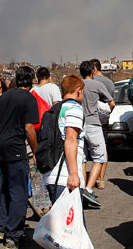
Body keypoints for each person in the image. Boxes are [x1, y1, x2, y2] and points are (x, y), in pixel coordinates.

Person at [0, 66, 39, 248]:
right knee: (19, 192)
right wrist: (36, 151)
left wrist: (4, 132)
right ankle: (14, 234)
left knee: (6, 188)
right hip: (15, 149)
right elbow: (29, 128)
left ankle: (1, 229)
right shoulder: (29, 98)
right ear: (31, 80)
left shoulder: (4, 97)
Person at [42, 74, 86, 203]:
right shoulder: (74, 108)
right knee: (71, 215)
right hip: (65, 176)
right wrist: (73, 174)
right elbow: (70, 139)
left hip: (51, 174)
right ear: (79, 90)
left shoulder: (56, 109)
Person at [78, 60, 114, 205]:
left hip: (79, 124)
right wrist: (105, 116)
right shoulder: (98, 85)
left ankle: (81, 187)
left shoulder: (77, 85)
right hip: (94, 123)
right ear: (93, 71)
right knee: (100, 157)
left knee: (82, 158)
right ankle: (89, 188)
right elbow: (111, 103)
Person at [91, 58, 115, 190]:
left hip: (91, 118)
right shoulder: (110, 82)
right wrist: (107, 114)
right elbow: (112, 102)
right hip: (104, 120)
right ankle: (101, 179)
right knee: (103, 148)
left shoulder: (91, 81)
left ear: (94, 69)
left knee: (88, 150)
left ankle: (88, 177)